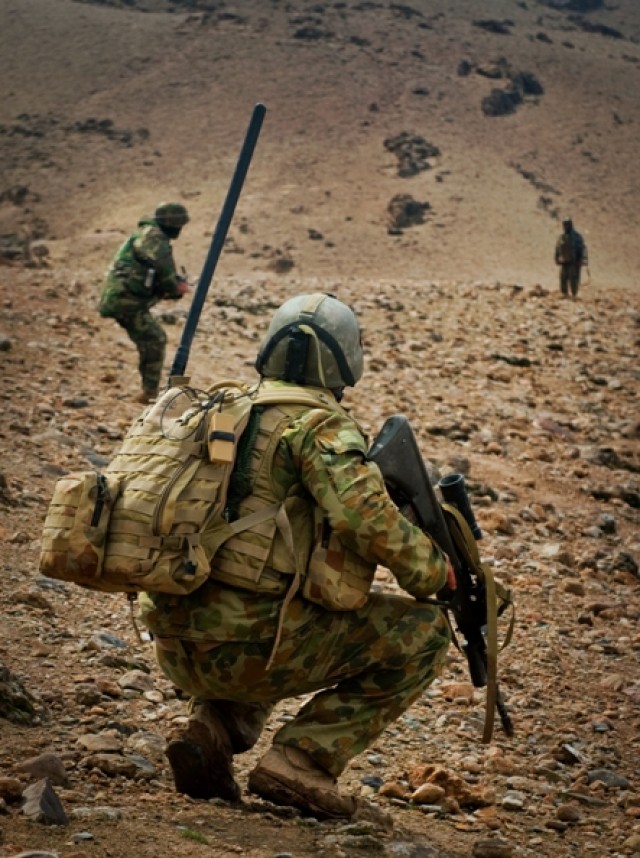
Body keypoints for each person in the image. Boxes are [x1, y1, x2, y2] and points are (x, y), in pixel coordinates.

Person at [138, 292, 455, 822]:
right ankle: (302, 760)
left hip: (175, 641)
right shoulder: (321, 426)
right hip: (254, 646)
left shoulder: (220, 408)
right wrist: (434, 572)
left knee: (272, 583)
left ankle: (213, 727)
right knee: (423, 633)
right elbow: (367, 521)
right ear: (346, 361)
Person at [99, 202, 190, 402]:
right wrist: (173, 285)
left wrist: (172, 287)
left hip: (124, 298)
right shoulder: (154, 237)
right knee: (154, 339)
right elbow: (161, 267)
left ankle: (148, 391)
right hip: (124, 300)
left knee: (150, 339)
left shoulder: (148, 235)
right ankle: (149, 393)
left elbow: (155, 272)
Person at [554, 217, 587, 298]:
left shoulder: (576, 237)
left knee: (573, 280)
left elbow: (582, 249)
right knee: (563, 278)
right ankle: (564, 294)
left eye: (567, 225)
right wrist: (556, 258)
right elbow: (558, 248)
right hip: (564, 261)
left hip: (574, 262)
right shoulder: (562, 237)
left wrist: (581, 260)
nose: (565, 226)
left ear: (571, 225)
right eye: (564, 225)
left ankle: (574, 295)